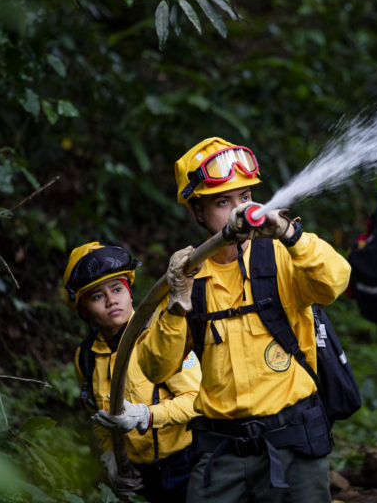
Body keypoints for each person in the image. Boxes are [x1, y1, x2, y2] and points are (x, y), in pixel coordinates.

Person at [132, 137, 351, 502]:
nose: (238, 210)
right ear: (197, 212)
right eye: (222, 202)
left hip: (294, 444)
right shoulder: (188, 277)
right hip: (222, 453)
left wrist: (290, 234)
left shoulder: (283, 255)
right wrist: (177, 303)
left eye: (245, 197)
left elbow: (335, 281)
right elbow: (156, 368)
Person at [62, 242, 202, 502]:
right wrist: (111, 457)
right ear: (84, 310)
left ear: (130, 293)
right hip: (138, 477)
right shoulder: (86, 358)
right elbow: (98, 415)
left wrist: (146, 416)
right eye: (97, 296)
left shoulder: (162, 334)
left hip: (187, 466)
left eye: (117, 289)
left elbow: (198, 401)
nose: (111, 300)